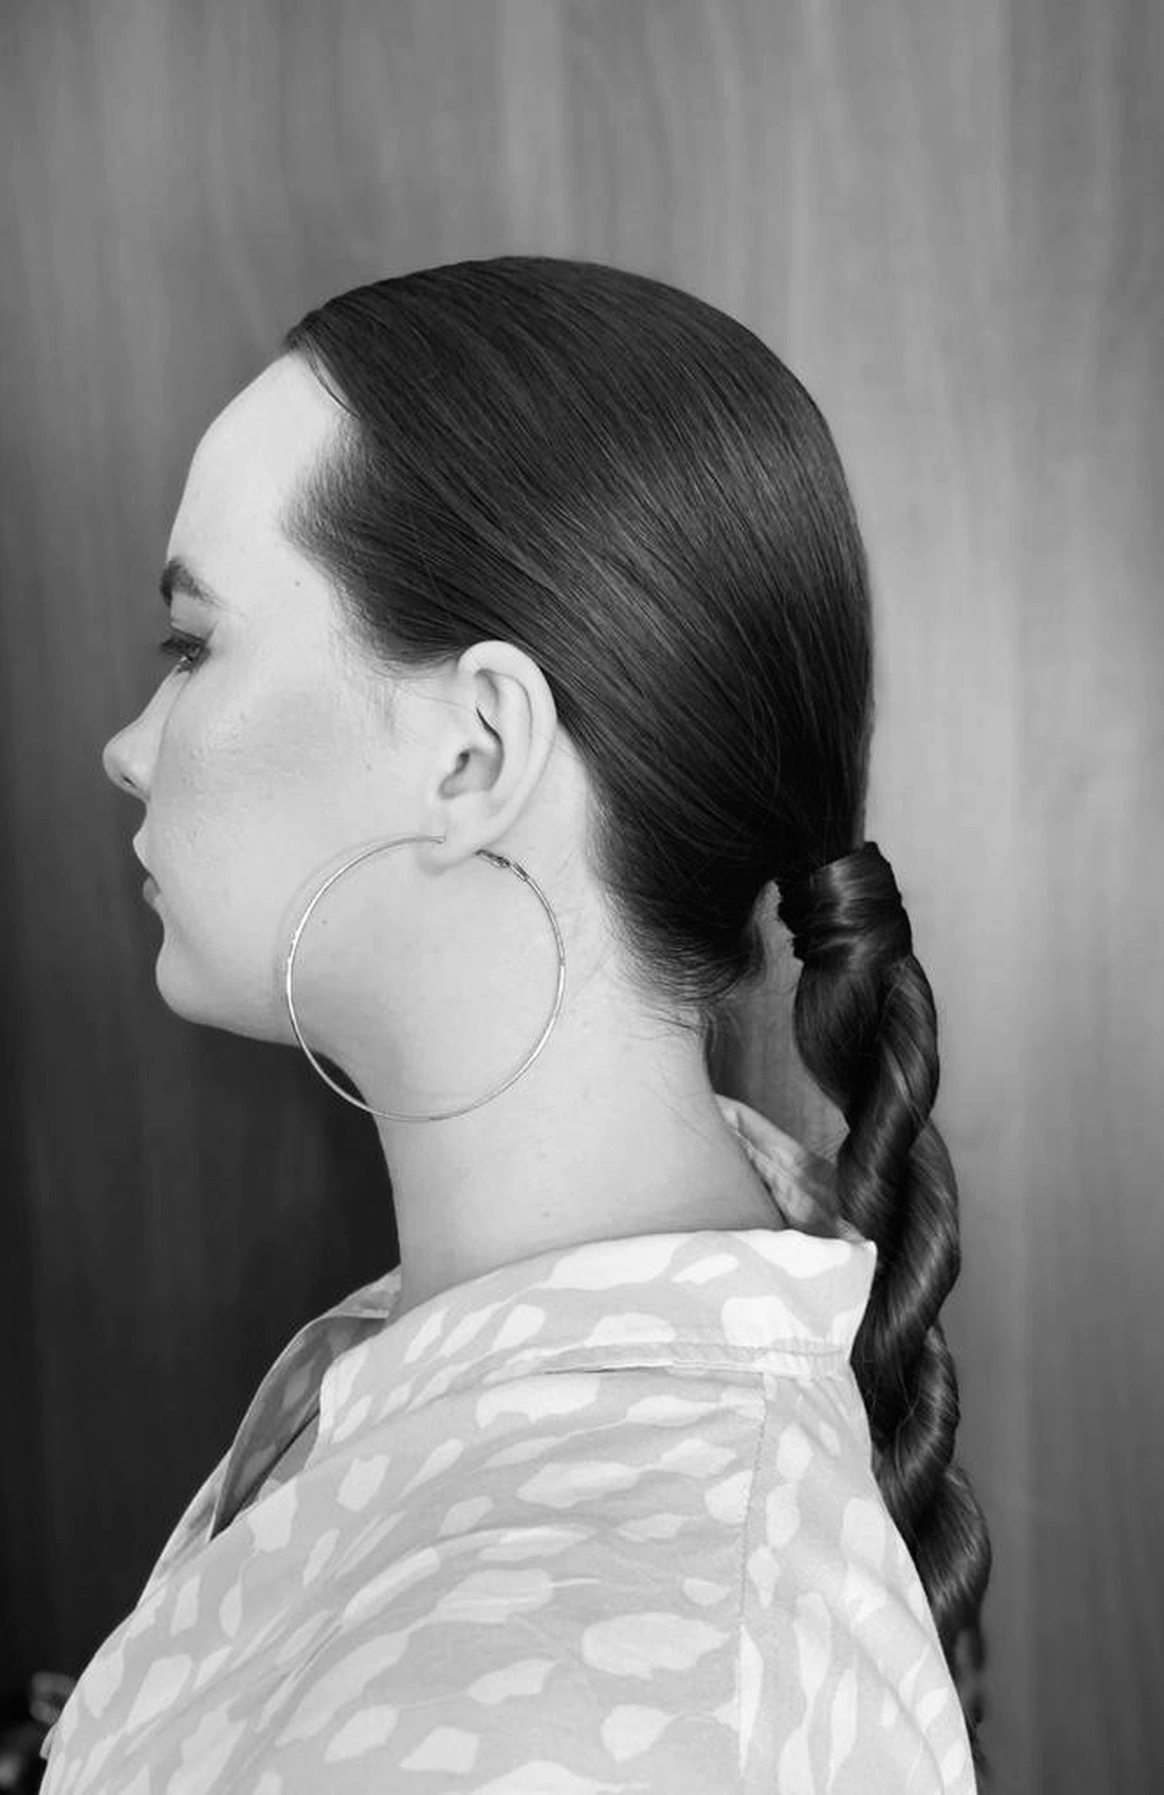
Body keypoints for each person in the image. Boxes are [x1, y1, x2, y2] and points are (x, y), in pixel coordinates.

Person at [47, 256, 990, 1792]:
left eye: (192, 646)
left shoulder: (585, 1698)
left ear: (477, 750)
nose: (128, 748)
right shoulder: (507, 1337)